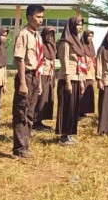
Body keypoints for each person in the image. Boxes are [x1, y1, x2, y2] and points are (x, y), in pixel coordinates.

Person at [12, 4, 44, 159]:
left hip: (35, 76)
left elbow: (39, 60)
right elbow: (20, 59)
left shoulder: (37, 36)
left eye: (42, 17)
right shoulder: (23, 35)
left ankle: (25, 145)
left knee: (30, 112)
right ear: (29, 17)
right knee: (21, 111)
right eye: (38, 17)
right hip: (26, 76)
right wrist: (23, 82)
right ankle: (18, 148)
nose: (40, 20)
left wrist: (39, 83)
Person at [55, 16, 85, 145]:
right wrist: (68, 81)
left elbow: (80, 62)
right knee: (66, 107)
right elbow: (65, 61)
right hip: (68, 78)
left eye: (81, 25)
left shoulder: (77, 41)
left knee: (73, 107)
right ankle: (63, 135)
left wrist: (82, 80)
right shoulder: (65, 42)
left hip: (77, 78)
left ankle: (69, 133)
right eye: (78, 25)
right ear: (72, 26)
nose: (80, 27)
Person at [33, 26, 56, 131]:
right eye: (48, 34)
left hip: (49, 75)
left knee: (47, 98)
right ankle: (35, 121)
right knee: (40, 98)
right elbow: (39, 62)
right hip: (42, 75)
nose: (50, 37)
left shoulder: (52, 46)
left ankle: (40, 120)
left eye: (52, 35)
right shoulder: (41, 45)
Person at [79, 30, 96, 118]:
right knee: (82, 92)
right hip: (84, 74)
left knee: (89, 93)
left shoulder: (91, 47)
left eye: (92, 36)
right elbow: (81, 61)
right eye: (89, 36)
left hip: (91, 74)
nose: (90, 38)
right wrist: (82, 74)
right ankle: (80, 111)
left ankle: (86, 110)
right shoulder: (81, 46)